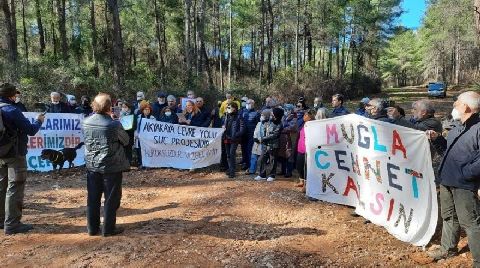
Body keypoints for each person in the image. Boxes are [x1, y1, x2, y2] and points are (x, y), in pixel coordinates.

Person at [426, 91, 480, 266]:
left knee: (471, 223)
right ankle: (448, 249)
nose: (454, 105)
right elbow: (447, 152)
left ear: (466, 107)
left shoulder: (478, 128)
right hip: (447, 180)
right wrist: (438, 139)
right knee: (449, 217)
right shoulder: (458, 126)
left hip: (464, 184)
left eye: (457, 102)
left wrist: (466, 174)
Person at [0, 83, 44, 235]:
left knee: (2, 186)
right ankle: (12, 224)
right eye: (15, 95)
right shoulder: (12, 110)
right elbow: (31, 130)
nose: (16, 97)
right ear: (11, 96)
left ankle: (1, 220)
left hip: (1, 154)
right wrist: (39, 121)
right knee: (15, 187)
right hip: (15, 154)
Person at [83, 93, 129, 237]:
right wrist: (115, 121)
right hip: (111, 166)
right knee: (111, 198)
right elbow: (126, 140)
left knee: (93, 198)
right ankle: (108, 229)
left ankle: (92, 228)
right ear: (109, 107)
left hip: (92, 165)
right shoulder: (113, 124)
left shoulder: (86, 121)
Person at [254, 107, 284, 182]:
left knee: (272, 160)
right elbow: (264, 128)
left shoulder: (279, 124)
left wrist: (263, 138)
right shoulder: (268, 121)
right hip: (265, 144)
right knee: (262, 159)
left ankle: (272, 175)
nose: (271, 115)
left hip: (273, 145)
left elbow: (274, 135)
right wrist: (261, 137)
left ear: (277, 116)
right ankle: (262, 174)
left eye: (273, 114)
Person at [295, 109, 316, 190]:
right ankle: (301, 181)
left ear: (310, 116)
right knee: (299, 166)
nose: (304, 116)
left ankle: (307, 185)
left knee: (306, 167)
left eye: (305, 115)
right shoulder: (303, 124)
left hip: (308, 150)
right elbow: (297, 126)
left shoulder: (313, 125)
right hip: (300, 148)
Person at [223, 102, 245, 178]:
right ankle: (230, 168)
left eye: (229, 107)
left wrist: (235, 135)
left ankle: (232, 171)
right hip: (226, 138)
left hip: (234, 139)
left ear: (234, 108)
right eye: (227, 107)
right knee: (228, 155)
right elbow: (224, 125)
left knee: (232, 154)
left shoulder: (239, 117)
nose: (227, 109)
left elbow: (242, 130)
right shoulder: (226, 116)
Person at [248, 110, 271, 175]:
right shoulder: (259, 123)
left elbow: (268, 134)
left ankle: (261, 171)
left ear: (266, 116)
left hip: (264, 144)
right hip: (256, 143)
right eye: (261, 115)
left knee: (262, 159)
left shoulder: (269, 124)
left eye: (262, 115)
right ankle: (252, 170)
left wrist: (262, 139)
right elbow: (255, 132)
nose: (261, 117)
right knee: (253, 157)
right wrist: (255, 138)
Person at [279, 104, 298, 178]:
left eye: (287, 110)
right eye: (285, 109)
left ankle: (289, 171)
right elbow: (281, 125)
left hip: (290, 139)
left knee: (289, 156)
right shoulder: (283, 117)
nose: (286, 111)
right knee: (282, 155)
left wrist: (283, 129)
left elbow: (292, 127)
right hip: (283, 139)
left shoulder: (294, 118)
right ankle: (283, 170)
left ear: (291, 110)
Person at [240, 99, 260, 170]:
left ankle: (250, 166)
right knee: (244, 150)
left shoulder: (256, 113)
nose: (248, 104)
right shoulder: (243, 112)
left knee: (249, 151)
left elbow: (259, 125)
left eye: (249, 103)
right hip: (243, 135)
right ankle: (245, 164)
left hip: (251, 135)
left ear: (253, 104)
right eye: (247, 103)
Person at [135, 101, 155, 168]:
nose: (147, 111)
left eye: (148, 109)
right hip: (140, 137)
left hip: (149, 138)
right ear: (142, 110)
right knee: (140, 151)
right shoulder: (138, 118)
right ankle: (141, 163)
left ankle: (149, 164)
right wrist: (136, 134)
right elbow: (136, 127)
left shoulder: (153, 118)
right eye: (145, 109)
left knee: (148, 150)